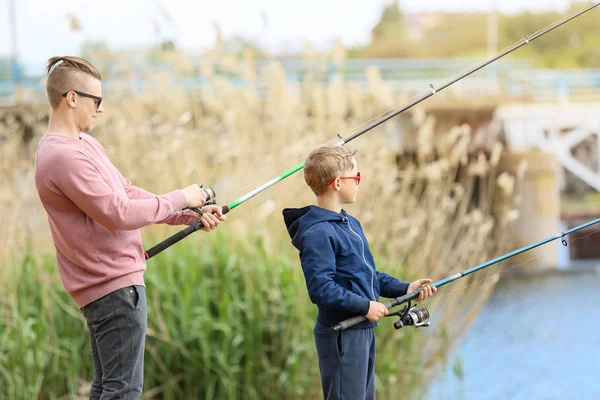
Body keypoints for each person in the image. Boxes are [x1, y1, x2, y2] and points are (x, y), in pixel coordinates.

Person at [34, 56, 226, 399]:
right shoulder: (62, 156)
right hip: (112, 290)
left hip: (112, 288)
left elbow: (127, 193)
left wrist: (189, 212)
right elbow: (118, 213)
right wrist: (182, 194)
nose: (100, 110)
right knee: (123, 392)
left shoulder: (85, 144)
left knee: (108, 388)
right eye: (96, 101)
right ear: (72, 98)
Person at [282, 145, 437, 400]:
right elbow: (321, 289)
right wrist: (365, 306)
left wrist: (406, 289)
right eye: (357, 177)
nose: (359, 183)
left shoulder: (349, 223)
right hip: (342, 332)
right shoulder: (318, 233)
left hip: (362, 329)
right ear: (337, 183)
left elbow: (367, 275)